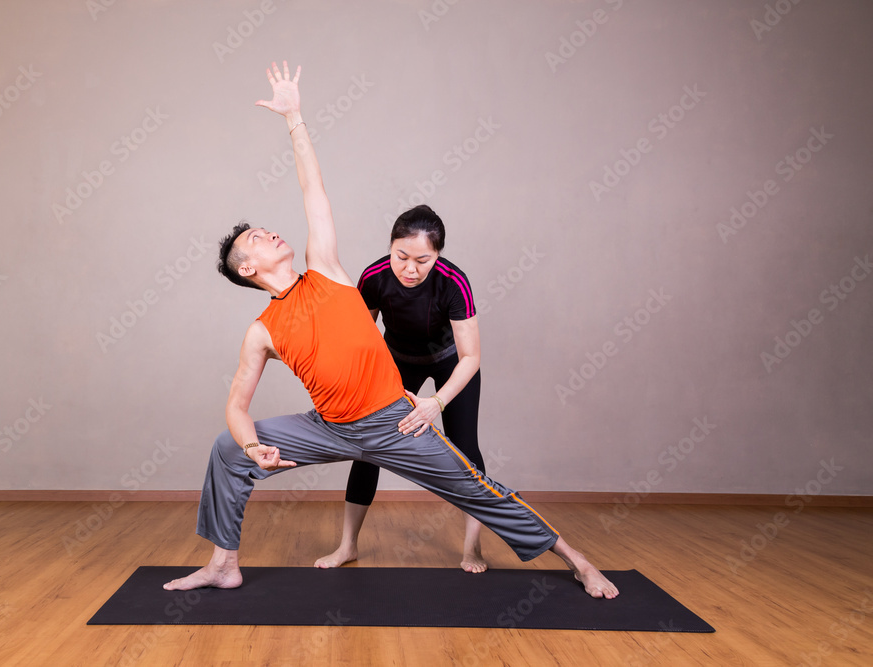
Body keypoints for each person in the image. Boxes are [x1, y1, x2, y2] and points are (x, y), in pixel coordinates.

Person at [163, 61, 618, 599]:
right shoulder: (261, 331)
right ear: (248, 269)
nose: (271, 232)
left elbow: (314, 190)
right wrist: (252, 445)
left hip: (393, 423)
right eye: (259, 237)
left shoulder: (326, 269)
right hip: (329, 426)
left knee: (479, 489)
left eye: (266, 228)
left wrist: (294, 119)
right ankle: (223, 563)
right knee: (226, 448)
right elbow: (237, 407)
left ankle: (578, 561)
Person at [315, 205, 491, 573]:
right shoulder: (375, 277)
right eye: (402, 256)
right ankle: (348, 545)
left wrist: (437, 403)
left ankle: (472, 548)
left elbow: (471, 356)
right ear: (391, 247)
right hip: (395, 360)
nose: (410, 269)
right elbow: (361, 340)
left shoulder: (453, 282)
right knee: (368, 448)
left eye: (423, 260)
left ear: (438, 255)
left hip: (450, 363)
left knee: (466, 452)